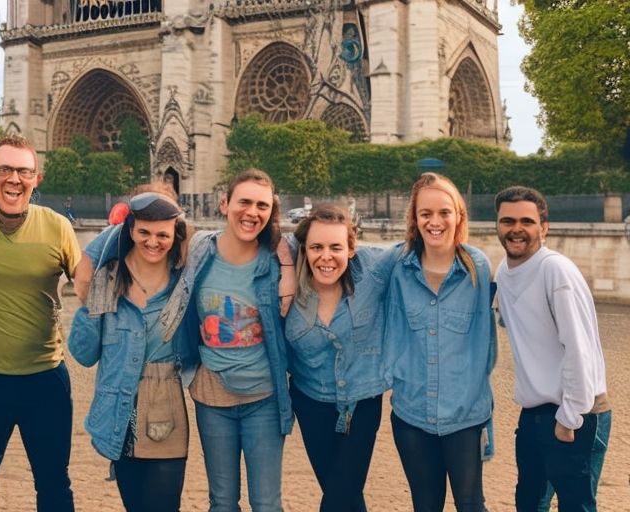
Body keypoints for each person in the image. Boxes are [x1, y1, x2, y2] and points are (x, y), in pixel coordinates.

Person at [0, 135, 81, 512]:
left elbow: (90, 288)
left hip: (45, 376)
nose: (14, 178)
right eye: (5, 169)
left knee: (55, 484)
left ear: (36, 179)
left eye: (23, 171)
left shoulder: (58, 227)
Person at [159, 168, 294, 512]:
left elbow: (327, 241)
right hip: (212, 397)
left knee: (266, 503)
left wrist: (290, 270)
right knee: (221, 502)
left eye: (262, 205)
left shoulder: (279, 258)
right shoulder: (200, 247)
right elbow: (134, 229)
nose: (252, 212)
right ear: (224, 204)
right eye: (244, 202)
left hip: (263, 396)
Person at [68, 188, 195, 511]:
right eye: (144, 232)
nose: (153, 241)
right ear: (130, 230)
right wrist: (88, 295)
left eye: (163, 234)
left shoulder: (185, 283)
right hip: (119, 417)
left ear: (175, 233)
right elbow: (83, 354)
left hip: (167, 412)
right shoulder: (108, 281)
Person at [494, 186, 610, 512]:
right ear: (497, 225)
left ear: (544, 228)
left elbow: (578, 349)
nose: (516, 229)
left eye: (527, 221)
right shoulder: (504, 271)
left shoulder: (555, 271)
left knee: (575, 507)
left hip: (577, 411)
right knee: (528, 503)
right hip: (533, 412)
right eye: (507, 221)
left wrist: (569, 417)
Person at [385, 172, 495, 512]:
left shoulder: (478, 267)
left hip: (464, 417)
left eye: (444, 212)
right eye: (425, 213)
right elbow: (341, 255)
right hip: (411, 413)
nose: (434, 221)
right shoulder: (396, 267)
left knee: (471, 504)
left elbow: (489, 344)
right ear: (414, 219)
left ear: (459, 215)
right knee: (425, 505)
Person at [284, 204, 397, 511]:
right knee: (343, 493)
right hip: (309, 402)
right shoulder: (286, 278)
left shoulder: (373, 269)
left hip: (362, 402)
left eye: (336, 247)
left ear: (351, 248)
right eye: (316, 247)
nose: (326, 256)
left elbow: (420, 247)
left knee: (340, 492)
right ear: (303, 249)